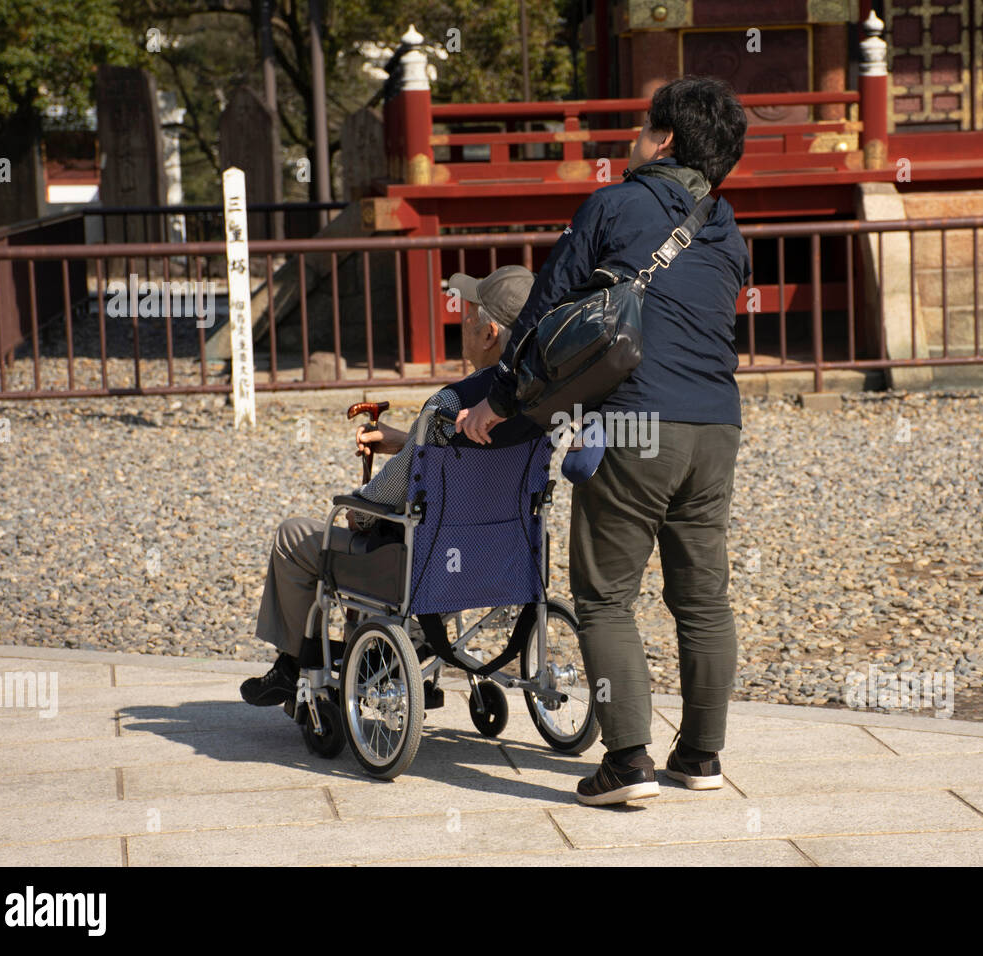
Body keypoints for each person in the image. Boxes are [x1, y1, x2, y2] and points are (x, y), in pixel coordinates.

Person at [456, 76, 750, 805]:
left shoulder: (614, 204)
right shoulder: (726, 227)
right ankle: (702, 756)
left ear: (666, 139)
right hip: (717, 426)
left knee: (605, 596)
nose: (632, 139)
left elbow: (543, 310)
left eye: (643, 126)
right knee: (704, 600)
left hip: (636, 425)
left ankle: (626, 762)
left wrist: (497, 405)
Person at [241, 265, 539, 707]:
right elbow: (464, 453)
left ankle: (293, 663)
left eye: (469, 319)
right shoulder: (543, 400)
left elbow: (384, 499)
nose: (464, 326)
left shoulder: (449, 404)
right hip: (504, 554)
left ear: (490, 334)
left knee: (296, 535)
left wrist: (357, 509)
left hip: (427, 559)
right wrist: (406, 441)